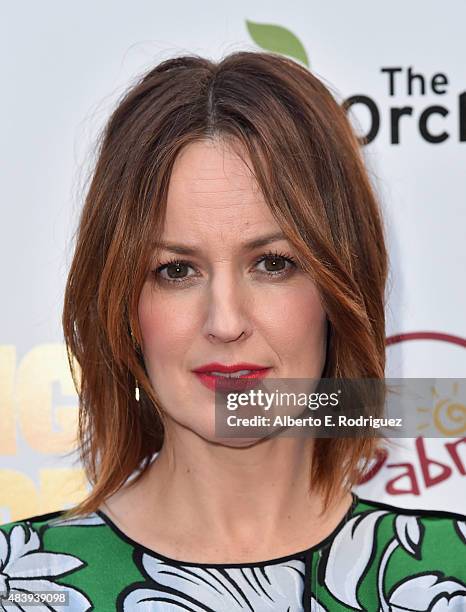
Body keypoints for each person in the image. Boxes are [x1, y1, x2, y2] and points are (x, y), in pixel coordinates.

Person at [1, 51, 465, 612]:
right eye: (176, 271)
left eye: (272, 263)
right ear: (122, 303)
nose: (225, 322)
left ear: (340, 286)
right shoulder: (24, 587)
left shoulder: (447, 575)